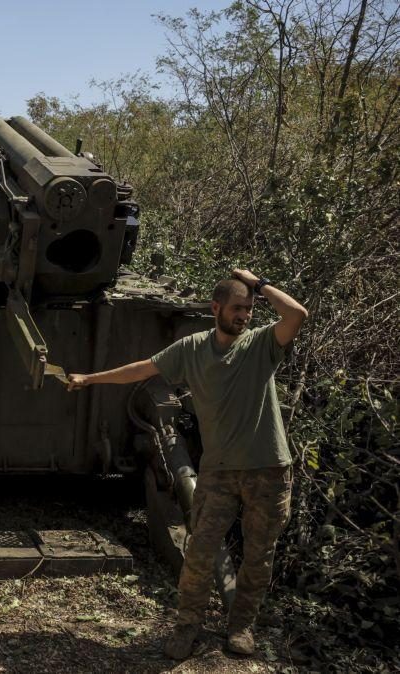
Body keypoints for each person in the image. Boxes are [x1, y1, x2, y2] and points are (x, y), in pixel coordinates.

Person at [67, 270, 307, 659]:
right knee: (199, 553)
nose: (243, 316)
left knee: (259, 556)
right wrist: (90, 378)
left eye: (248, 309)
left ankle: (241, 627)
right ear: (216, 308)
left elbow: (297, 315)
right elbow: (142, 369)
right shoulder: (192, 348)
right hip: (219, 471)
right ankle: (187, 628)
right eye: (236, 308)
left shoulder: (262, 344)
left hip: (269, 469)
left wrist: (257, 283)